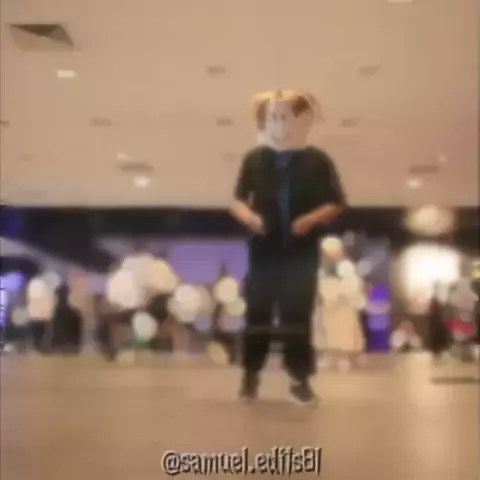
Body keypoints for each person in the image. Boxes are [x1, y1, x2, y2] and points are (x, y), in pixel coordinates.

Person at [231, 90, 346, 405]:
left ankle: (299, 379)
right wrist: (250, 217)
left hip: (301, 252)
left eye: (286, 117)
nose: (280, 124)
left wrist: (310, 219)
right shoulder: (254, 159)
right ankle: (250, 375)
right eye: (274, 117)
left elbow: (335, 202)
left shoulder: (317, 160)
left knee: (297, 313)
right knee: (258, 312)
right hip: (263, 251)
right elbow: (238, 201)